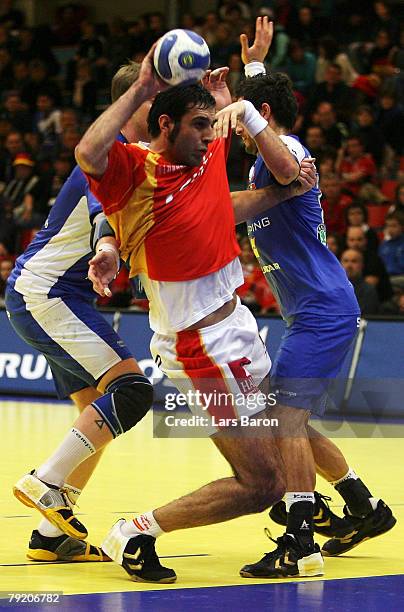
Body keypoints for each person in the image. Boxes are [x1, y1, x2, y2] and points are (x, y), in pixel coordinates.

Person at [13, 41, 318, 583]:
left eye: (212, 125)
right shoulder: (137, 172)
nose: (211, 134)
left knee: (286, 429)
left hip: (239, 327)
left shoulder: (206, 150)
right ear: (165, 124)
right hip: (199, 346)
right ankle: (137, 531)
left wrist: (243, 102)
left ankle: (313, 525)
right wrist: (144, 85)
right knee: (259, 481)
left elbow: (229, 202)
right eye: (200, 125)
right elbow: (88, 153)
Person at [213, 21, 395, 578]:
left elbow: (287, 155)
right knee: (283, 415)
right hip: (313, 311)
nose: (239, 132)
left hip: (323, 311)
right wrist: (253, 74)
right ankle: (362, 505)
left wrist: (244, 108)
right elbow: (271, 124)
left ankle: (298, 540)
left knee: (285, 422)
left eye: (245, 122)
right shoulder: (266, 148)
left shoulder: (283, 149)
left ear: (260, 118)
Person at [6, 61, 155, 564]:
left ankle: (52, 536)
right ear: (142, 102)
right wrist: (108, 246)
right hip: (48, 295)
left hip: (47, 293)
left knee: (95, 418)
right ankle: (46, 482)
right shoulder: (109, 153)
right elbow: (99, 214)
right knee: (132, 392)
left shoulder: (131, 157)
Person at [341, 248, 380, 315]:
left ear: (362, 265)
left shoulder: (368, 290)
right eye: (346, 261)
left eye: (354, 261)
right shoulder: (333, 288)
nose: (349, 265)